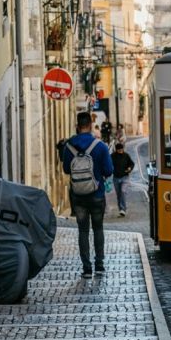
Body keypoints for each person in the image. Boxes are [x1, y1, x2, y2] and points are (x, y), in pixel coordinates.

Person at [59, 111, 114, 278]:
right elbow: (109, 170)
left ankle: (86, 268)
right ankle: (99, 265)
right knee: (98, 228)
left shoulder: (69, 146)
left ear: (77, 125)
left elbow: (67, 169)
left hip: (78, 196)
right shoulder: (100, 146)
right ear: (90, 125)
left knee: (83, 231)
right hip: (97, 194)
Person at [111, 142, 135, 217]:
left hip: (125, 177)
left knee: (123, 191)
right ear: (116, 150)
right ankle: (120, 209)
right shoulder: (112, 156)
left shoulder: (126, 155)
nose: (121, 151)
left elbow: (132, 163)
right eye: (119, 150)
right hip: (116, 178)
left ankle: (123, 209)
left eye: (122, 149)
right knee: (119, 195)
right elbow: (108, 164)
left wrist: (129, 168)